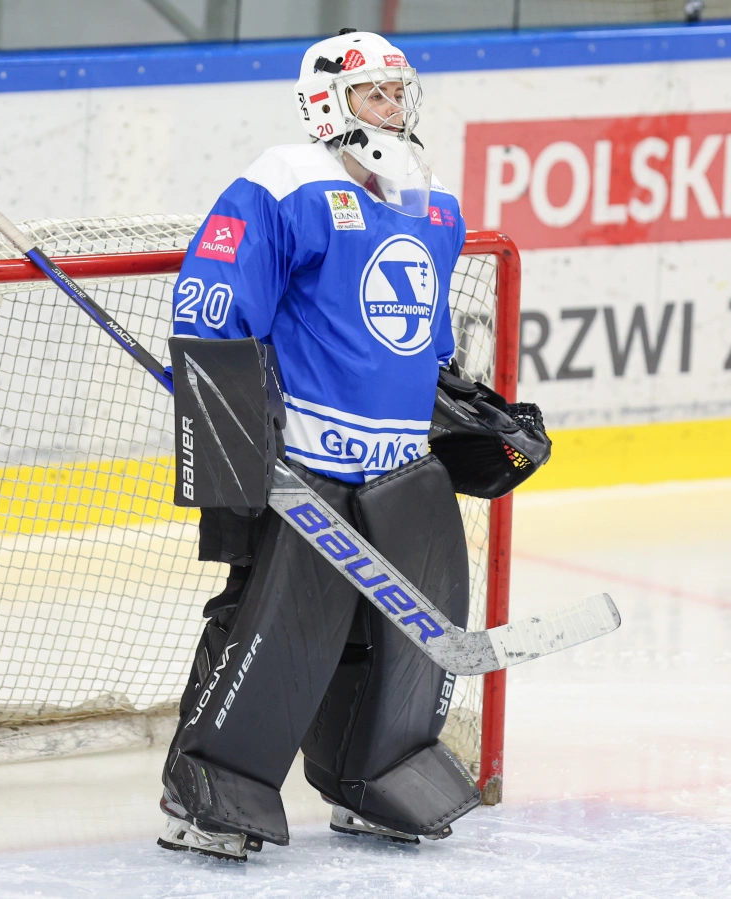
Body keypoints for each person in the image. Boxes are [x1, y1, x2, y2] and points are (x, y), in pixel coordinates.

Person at [158, 29, 482, 861]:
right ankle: (207, 787)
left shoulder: (436, 204)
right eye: (374, 92)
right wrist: (227, 422)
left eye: (398, 91)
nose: (392, 107)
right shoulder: (285, 181)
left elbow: (423, 333)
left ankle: (372, 778)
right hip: (302, 466)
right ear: (327, 103)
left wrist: (462, 409)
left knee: (392, 641)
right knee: (269, 628)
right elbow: (212, 300)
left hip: (398, 470)